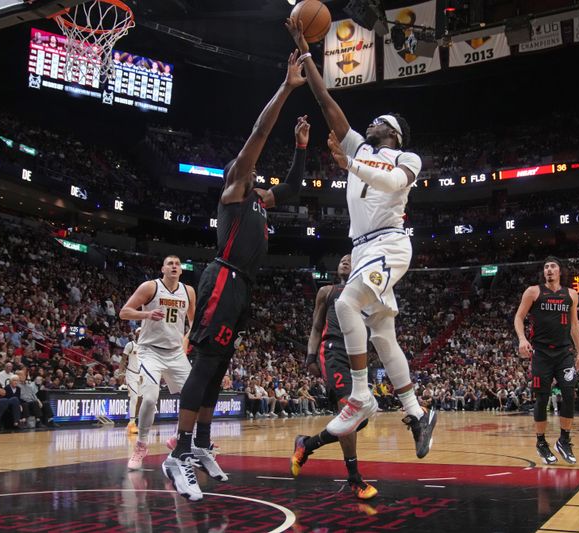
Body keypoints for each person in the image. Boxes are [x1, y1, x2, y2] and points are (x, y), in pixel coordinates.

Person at [162, 51, 309, 502]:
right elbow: (259, 133)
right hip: (221, 279)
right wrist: (285, 87)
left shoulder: (259, 202)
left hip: (242, 286)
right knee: (205, 364)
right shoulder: (232, 190)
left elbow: (292, 188)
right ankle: (178, 455)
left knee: (220, 367)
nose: (258, 178)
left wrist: (301, 149)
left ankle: (202, 444)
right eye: (251, 172)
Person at [285, 19, 435, 457]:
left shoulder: (407, 157)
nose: (369, 124)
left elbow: (391, 184)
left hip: (388, 244)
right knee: (385, 335)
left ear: (393, 133)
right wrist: (304, 49)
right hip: (363, 247)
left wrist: (349, 166)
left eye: (378, 122)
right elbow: (325, 99)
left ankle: (360, 394)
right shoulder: (359, 148)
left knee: (346, 302)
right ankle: (417, 413)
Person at [291, 255, 376, 499]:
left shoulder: (367, 292)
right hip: (334, 349)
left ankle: (306, 445)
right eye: (342, 260)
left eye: (351, 259)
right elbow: (317, 327)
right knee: (350, 407)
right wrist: (310, 357)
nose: (345, 262)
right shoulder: (327, 291)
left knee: (360, 418)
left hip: (357, 353)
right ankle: (354, 478)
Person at [119, 256, 196, 470]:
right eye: (170, 263)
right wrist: (147, 314)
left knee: (195, 397)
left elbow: (194, 322)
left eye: (177, 264)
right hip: (150, 351)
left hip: (175, 352)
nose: (174, 266)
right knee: (151, 399)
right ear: (163, 268)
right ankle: (141, 446)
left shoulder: (188, 291)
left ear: (181, 270)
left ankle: (177, 439)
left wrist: (185, 343)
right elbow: (124, 312)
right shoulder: (150, 287)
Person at [514, 256, 579, 465]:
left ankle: (563, 439)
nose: (549, 270)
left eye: (553, 266)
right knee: (542, 398)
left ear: (560, 271)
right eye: (546, 267)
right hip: (542, 354)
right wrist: (522, 339)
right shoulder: (533, 291)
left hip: (564, 353)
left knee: (569, 394)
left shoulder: (571, 294)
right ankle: (541, 442)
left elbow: (574, 324)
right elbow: (519, 317)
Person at [121, 327, 142, 435]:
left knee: (139, 399)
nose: (140, 333)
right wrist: (120, 373)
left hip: (141, 375)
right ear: (135, 334)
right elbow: (123, 359)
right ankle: (132, 423)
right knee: (134, 397)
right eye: (138, 332)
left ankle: (133, 422)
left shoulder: (146, 347)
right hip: (131, 374)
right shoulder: (130, 345)